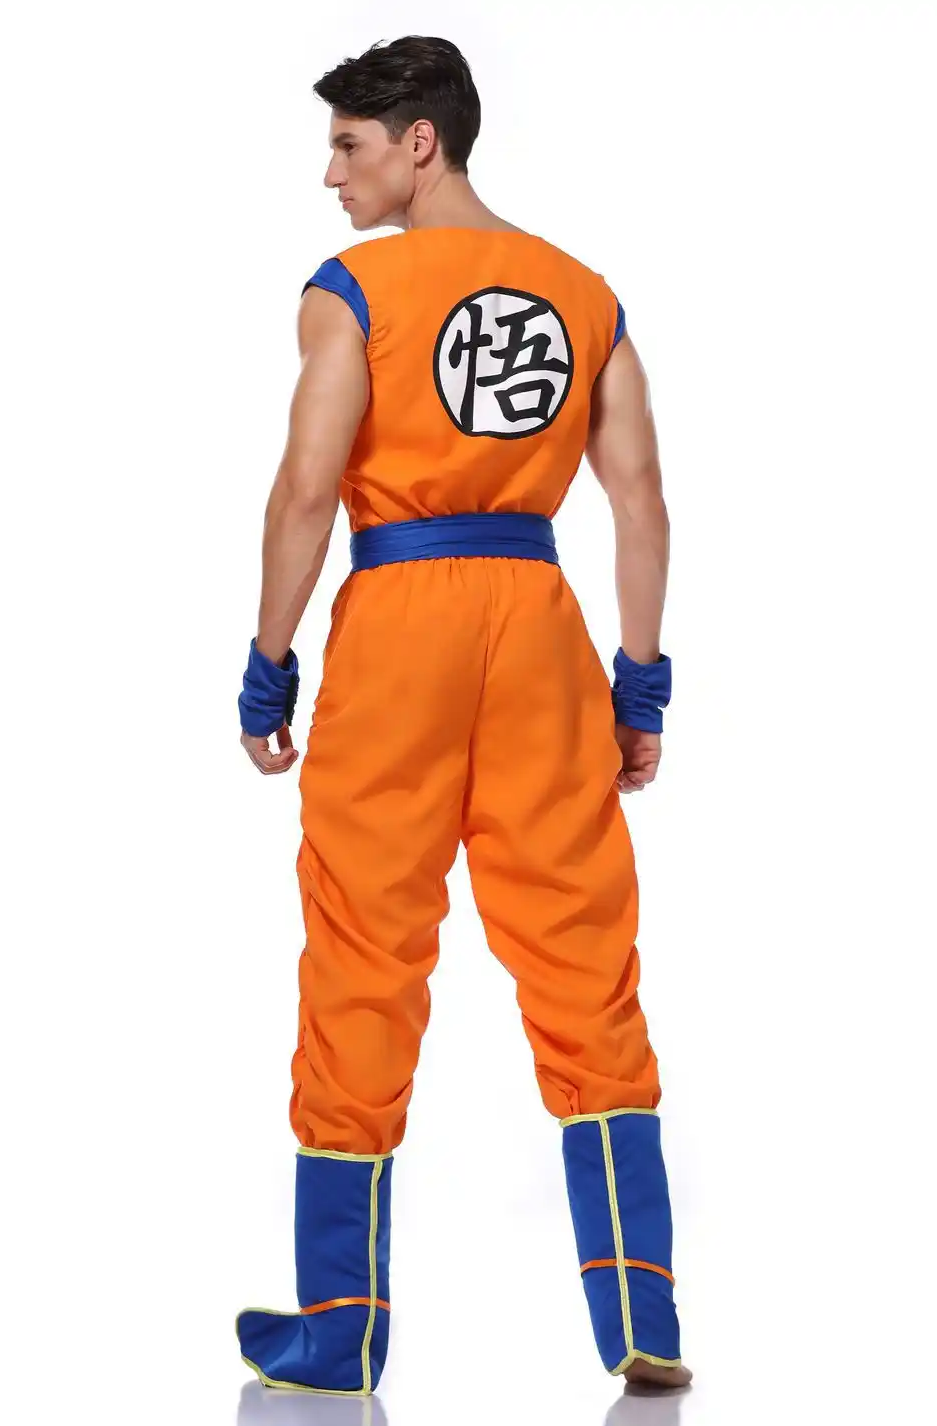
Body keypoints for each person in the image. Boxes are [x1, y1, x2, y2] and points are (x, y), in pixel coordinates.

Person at [235, 34, 691, 1398]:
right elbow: (641, 501)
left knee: (365, 946)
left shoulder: (353, 292)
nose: (332, 175)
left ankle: (341, 1327)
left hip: (403, 624)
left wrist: (269, 659)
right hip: (540, 622)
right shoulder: (585, 295)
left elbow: (305, 489)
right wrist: (640, 679)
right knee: (582, 949)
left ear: (418, 142)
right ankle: (643, 1308)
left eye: (349, 146)